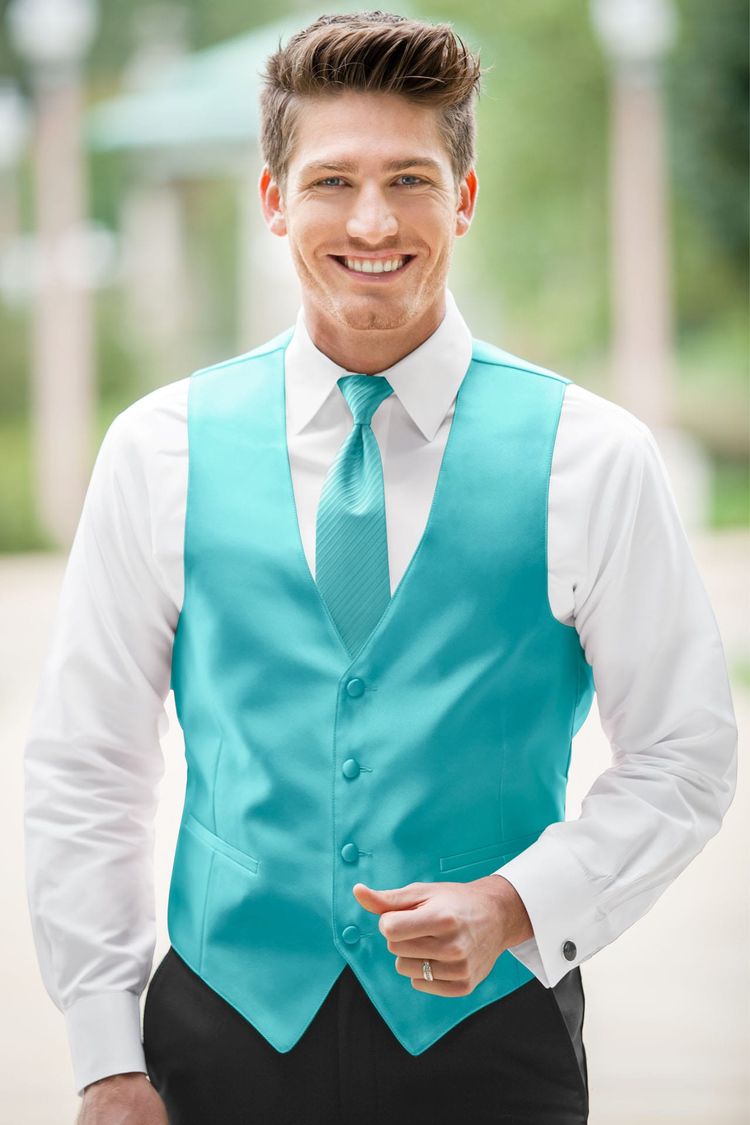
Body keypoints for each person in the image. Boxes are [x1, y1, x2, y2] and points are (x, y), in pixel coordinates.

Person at [24, 11, 738, 1125]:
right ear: (274, 200)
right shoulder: (157, 449)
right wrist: (106, 1054)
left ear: (464, 197)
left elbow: (686, 753)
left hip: (493, 1043)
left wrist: (515, 904)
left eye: (409, 178)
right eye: (330, 181)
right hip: (216, 1037)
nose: (372, 221)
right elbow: (87, 766)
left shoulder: (591, 458)